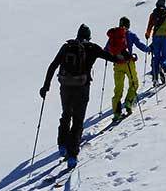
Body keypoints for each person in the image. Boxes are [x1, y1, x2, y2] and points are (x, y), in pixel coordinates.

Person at [40, 24, 124, 168]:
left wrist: (46, 86)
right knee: (78, 120)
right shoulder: (92, 48)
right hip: (82, 87)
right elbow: (113, 58)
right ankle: (72, 155)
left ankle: (62, 145)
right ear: (89, 36)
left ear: (77, 35)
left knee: (66, 114)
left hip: (65, 86)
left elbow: (53, 65)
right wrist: (124, 56)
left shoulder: (67, 47)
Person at [105, 17, 150, 122]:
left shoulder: (113, 35)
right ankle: (129, 103)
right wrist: (149, 49)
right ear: (128, 25)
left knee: (118, 89)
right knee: (134, 83)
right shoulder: (130, 35)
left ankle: (116, 113)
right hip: (128, 63)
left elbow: (106, 49)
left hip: (117, 65)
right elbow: (140, 45)